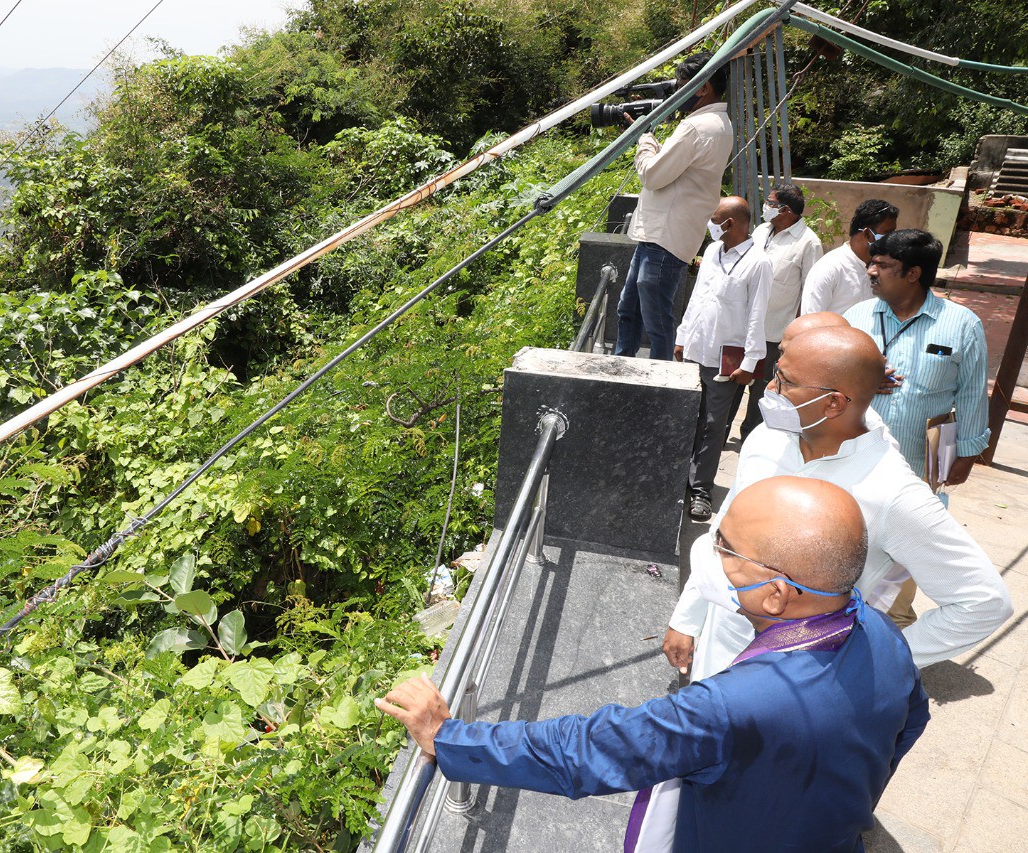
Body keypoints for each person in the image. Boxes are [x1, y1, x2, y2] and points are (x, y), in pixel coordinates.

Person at [378, 477, 929, 853]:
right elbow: (909, 725)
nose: (711, 554)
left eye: (725, 547)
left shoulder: (732, 707)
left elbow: (589, 749)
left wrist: (448, 738)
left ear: (777, 595)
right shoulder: (881, 632)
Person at [662, 324, 1010, 680]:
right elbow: (723, 535)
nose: (770, 389)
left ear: (833, 403)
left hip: (799, 679)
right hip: (719, 647)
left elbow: (983, 602)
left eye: (786, 381)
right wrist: (688, 618)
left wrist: (869, 664)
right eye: (776, 373)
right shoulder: (768, 438)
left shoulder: (891, 491)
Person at [844, 228, 991, 483]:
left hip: (916, 470)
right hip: (852, 460)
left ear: (913, 273)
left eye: (882, 265)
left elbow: (971, 394)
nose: (871, 272)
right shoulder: (855, 317)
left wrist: (966, 456)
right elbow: (827, 377)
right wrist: (861, 381)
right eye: (872, 263)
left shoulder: (963, 325)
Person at [615, 52, 733, 362]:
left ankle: (659, 382)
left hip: (665, 237)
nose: (678, 91)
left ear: (703, 87)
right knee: (630, 309)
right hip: (661, 234)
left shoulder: (698, 127)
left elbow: (653, 175)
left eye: (683, 84)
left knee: (655, 318)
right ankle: (620, 366)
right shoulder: (718, 123)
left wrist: (644, 138)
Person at [674, 196, 772, 522]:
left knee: (714, 425)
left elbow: (758, 316)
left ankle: (701, 490)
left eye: (715, 219)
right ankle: (678, 479)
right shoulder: (714, 252)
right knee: (689, 417)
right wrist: (682, 336)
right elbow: (698, 297)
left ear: (729, 224)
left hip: (726, 359)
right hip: (697, 348)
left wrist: (751, 362)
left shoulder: (758, 262)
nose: (711, 224)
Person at [733, 183, 824, 439]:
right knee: (733, 382)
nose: (766, 207)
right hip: (742, 325)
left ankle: (751, 439)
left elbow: (810, 292)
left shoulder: (808, 243)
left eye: (770, 203)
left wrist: (797, 337)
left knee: (761, 392)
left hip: (774, 332)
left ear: (785, 210)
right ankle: (721, 432)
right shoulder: (761, 231)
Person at [801, 198, 898, 315]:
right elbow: (811, 321)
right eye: (888, 234)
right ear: (867, 234)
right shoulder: (828, 269)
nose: (893, 239)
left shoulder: (886, 269)